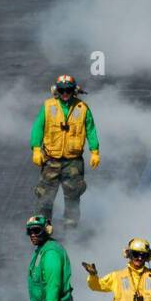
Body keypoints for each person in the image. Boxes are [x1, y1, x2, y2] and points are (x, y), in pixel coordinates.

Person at [30, 73, 100, 229]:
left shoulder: (82, 108)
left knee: (73, 195)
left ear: (74, 90)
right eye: (62, 90)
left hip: (73, 162)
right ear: (57, 91)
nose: (65, 93)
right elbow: (38, 128)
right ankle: (42, 227)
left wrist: (95, 151)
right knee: (45, 196)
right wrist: (36, 148)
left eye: (68, 90)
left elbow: (91, 130)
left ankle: (71, 227)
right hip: (51, 160)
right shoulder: (49, 106)